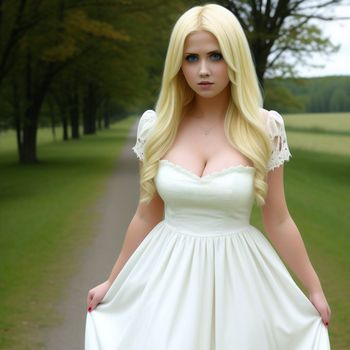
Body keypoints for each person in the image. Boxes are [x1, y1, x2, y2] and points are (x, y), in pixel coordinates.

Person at [85, 3, 331, 349]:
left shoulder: (265, 128)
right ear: (178, 64)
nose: (203, 70)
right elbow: (146, 213)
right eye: (191, 58)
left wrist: (314, 288)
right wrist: (113, 281)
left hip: (239, 279)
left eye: (215, 56)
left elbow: (278, 219)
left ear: (234, 59)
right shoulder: (157, 128)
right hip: (165, 275)